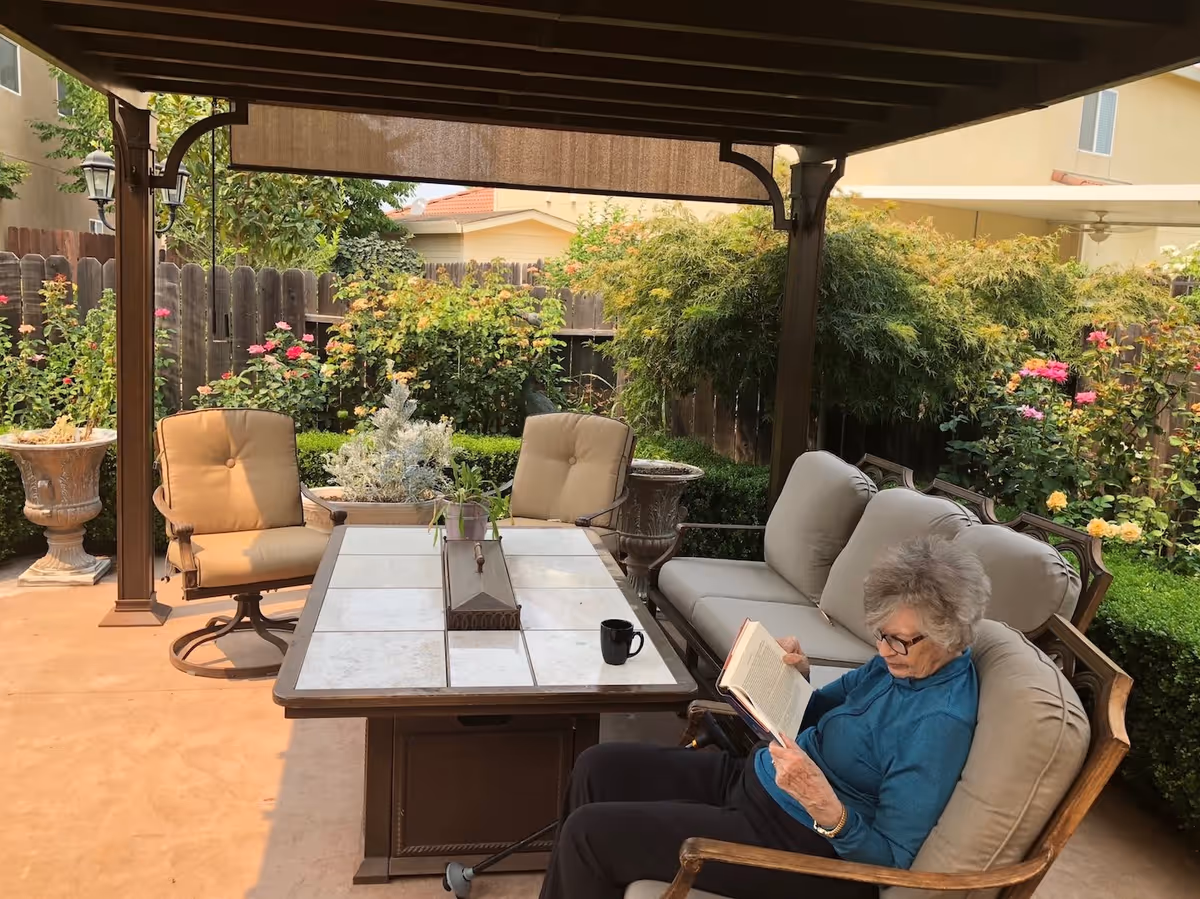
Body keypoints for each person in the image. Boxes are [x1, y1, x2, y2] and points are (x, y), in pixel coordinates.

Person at [538, 535, 988, 899]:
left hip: (795, 844)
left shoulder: (938, 724)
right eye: (881, 635)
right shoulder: (896, 663)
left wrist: (829, 811)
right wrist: (794, 675)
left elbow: (891, 862)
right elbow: (814, 712)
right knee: (598, 767)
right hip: (754, 780)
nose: (885, 649)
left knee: (590, 835)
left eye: (900, 641)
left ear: (949, 636)